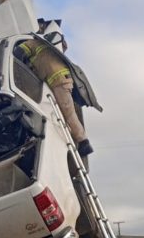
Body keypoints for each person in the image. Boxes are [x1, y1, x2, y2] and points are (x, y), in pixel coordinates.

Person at [14, 29, 93, 157]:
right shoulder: (50, 51)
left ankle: (84, 143)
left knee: (68, 113)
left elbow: (18, 53)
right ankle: (79, 141)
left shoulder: (33, 43)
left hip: (58, 81)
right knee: (67, 113)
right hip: (61, 81)